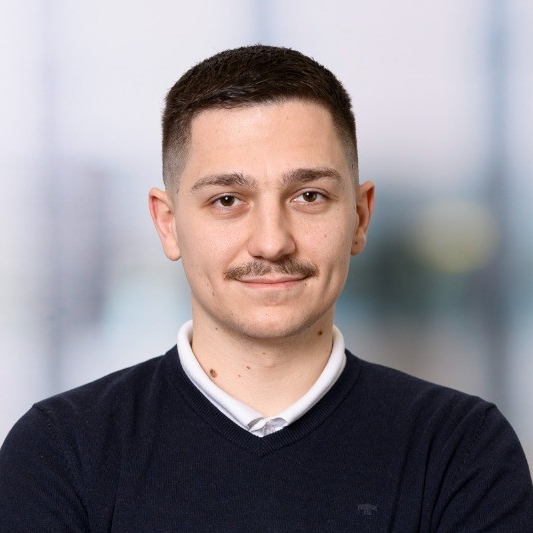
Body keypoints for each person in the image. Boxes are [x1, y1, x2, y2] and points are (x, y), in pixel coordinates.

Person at [0, 45, 532, 532]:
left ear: (360, 216)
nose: (272, 243)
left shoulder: (462, 448)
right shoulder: (60, 451)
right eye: (227, 200)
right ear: (168, 224)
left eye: (309, 196)